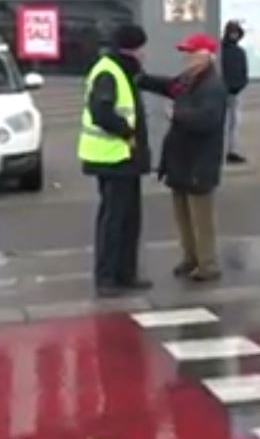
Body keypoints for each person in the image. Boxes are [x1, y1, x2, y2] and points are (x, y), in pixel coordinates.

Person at [140, 34, 228, 282]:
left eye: (191, 53)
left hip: (199, 161)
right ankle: (190, 257)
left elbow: (207, 120)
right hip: (181, 158)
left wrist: (178, 114)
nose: (186, 58)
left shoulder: (212, 86)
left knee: (201, 218)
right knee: (183, 214)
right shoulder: (189, 80)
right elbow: (169, 86)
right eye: (185, 53)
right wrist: (142, 79)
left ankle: (207, 263)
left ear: (206, 57)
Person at [79, 24, 153, 295]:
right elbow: (101, 112)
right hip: (111, 157)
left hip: (124, 158)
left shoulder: (123, 69)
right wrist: (127, 131)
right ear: (134, 48)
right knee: (114, 220)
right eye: (143, 47)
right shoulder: (109, 71)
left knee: (129, 219)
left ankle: (126, 273)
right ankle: (107, 277)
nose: (145, 53)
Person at [220, 20, 249, 164]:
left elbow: (244, 72)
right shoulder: (236, 52)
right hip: (229, 91)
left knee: (232, 122)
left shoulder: (227, 51)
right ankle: (229, 151)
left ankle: (231, 150)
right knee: (231, 122)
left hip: (232, 91)